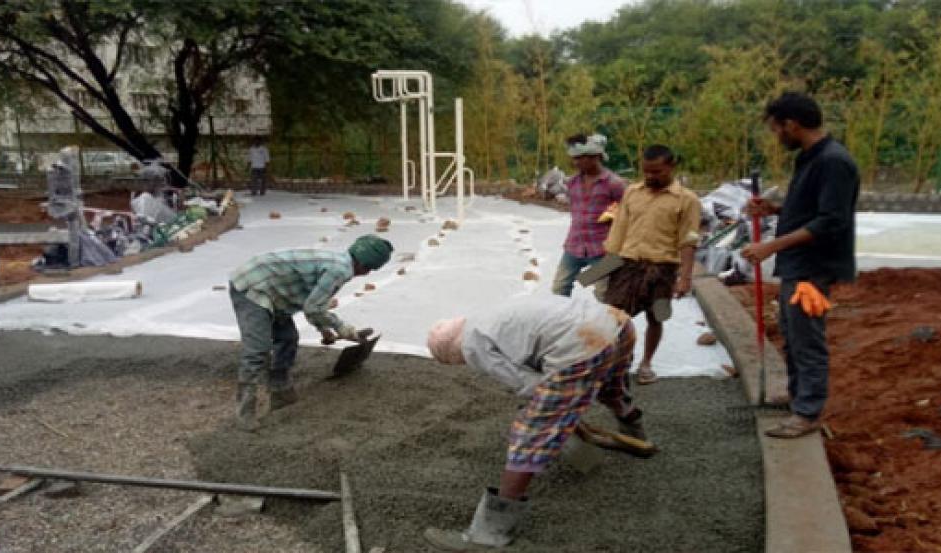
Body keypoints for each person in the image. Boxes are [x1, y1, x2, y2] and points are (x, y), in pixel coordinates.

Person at [422, 294, 648, 550]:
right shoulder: (486, 316)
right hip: (614, 322)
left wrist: (551, 412)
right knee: (611, 387)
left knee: (531, 433)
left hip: (582, 342)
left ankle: (487, 536)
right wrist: (567, 405)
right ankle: (635, 433)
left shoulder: (471, 344)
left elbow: (525, 382)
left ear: (450, 353)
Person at [741, 92, 859, 439]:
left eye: (777, 129)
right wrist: (775, 210)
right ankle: (797, 395)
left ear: (791, 124)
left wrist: (771, 246)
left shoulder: (834, 162)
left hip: (814, 266)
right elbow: (810, 209)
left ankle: (807, 412)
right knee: (793, 335)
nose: (777, 137)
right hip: (798, 263)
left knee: (807, 338)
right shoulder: (810, 158)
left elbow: (830, 221)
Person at [228, 234, 394, 430]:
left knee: (288, 338)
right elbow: (313, 308)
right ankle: (244, 411)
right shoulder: (340, 270)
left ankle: (281, 392)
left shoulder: (339, 262)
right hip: (253, 285)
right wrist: (342, 327)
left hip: (275, 289)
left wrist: (324, 331)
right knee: (258, 349)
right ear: (367, 267)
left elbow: (316, 302)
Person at [599, 145, 702, 384]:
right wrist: (601, 271)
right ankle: (615, 363)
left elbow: (689, 240)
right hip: (627, 267)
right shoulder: (632, 193)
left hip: (663, 270)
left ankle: (646, 363)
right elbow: (618, 233)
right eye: (646, 171)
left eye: (657, 172)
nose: (650, 176)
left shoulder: (687, 200)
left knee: (657, 318)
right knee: (613, 317)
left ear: (671, 167)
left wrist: (684, 278)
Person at [552, 133, 626, 297]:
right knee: (559, 289)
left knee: (603, 294)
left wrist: (609, 218)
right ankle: (564, 321)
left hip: (603, 250)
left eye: (580, 158)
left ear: (595, 157)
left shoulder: (614, 184)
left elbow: (627, 213)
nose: (575, 162)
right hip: (574, 246)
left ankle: (609, 322)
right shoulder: (573, 182)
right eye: (574, 158)